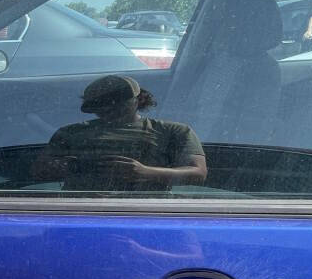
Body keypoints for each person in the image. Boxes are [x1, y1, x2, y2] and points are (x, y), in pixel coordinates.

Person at [36, 74, 207, 192]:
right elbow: (39, 171)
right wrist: (71, 167)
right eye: (101, 105)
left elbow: (198, 173)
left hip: (148, 211)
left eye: (116, 103)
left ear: (139, 100)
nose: (109, 109)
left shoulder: (173, 131)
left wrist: (145, 172)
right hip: (78, 209)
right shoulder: (70, 133)